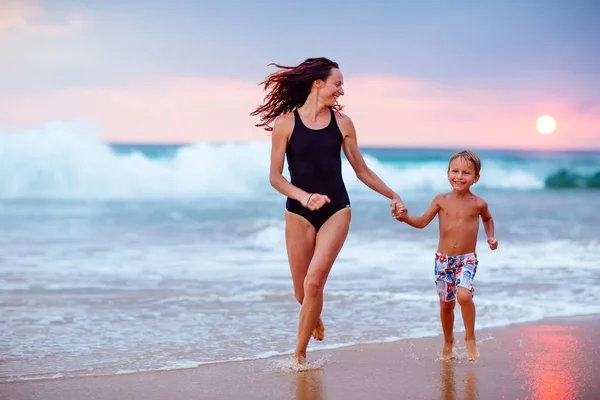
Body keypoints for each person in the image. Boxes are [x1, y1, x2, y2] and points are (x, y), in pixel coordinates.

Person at [250, 57, 407, 366]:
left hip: (337, 209)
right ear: (318, 83)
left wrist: (393, 194)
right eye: (338, 84)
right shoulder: (286, 123)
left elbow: (361, 170)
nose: (341, 91)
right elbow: (275, 177)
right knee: (302, 293)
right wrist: (304, 197)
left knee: (313, 284)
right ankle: (314, 315)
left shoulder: (343, 124)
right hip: (298, 211)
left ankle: (299, 355)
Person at [395, 150, 498, 361]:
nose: (460, 176)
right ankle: (448, 342)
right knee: (446, 305)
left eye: (466, 173)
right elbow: (422, 222)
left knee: (464, 295)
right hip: (443, 260)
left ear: (476, 178)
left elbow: (488, 219)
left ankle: (470, 338)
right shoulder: (440, 200)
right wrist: (405, 218)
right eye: (455, 171)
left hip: (467, 258)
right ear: (447, 173)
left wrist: (491, 237)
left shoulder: (479, 203)